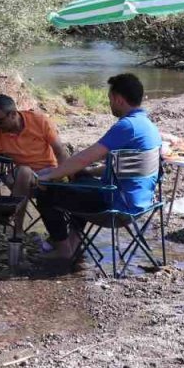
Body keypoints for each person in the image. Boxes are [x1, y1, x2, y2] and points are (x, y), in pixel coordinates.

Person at [35, 73, 162, 260]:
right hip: (140, 202)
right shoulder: (148, 125)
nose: (109, 103)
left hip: (117, 206)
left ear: (118, 100)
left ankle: (62, 251)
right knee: (79, 177)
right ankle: (73, 243)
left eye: (110, 99)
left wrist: (50, 175)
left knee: (46, 193)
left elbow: (85, 157)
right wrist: (88, 172)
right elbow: (123, 167)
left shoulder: (127, 126)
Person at [0, 94, 72, 248]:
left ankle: (18, 232)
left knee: (23, 173)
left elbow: (61, 152)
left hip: (50, 175)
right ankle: (18, 231)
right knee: (22, 171)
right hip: (24, 180)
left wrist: (67, 181)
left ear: (13, 115)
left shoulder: (40, 121)